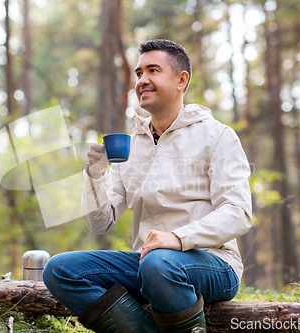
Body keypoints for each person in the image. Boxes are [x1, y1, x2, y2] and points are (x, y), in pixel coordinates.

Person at [43, 39, 252, 333]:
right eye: (139, 73)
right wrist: (96, 174)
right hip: (149, 264)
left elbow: (238, 212)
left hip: (214, 262)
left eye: (153, 70)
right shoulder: (132, 145)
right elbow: (100, 222)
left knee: (158, 263)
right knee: (60, 269)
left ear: (182, 80)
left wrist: (178, 238)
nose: (143, 80)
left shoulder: (217, 136)